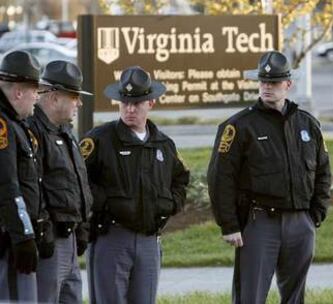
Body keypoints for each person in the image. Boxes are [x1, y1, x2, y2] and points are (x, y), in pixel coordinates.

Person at [207, 50, 331, 304]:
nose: (267, 87)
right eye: (263, 82)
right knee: (249, 296)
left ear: (288, 84)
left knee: (295, 297)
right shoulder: (239, 126)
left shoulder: (307, 124)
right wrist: (229, 224)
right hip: (260, 222)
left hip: (301, 222)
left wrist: (315, 214)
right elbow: (220, 177)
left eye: (273, 82)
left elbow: (322, 171)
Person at [80, 65, 190, 304]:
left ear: (150, 103)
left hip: (150, 242)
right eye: (124, 103)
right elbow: (80, 180)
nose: (129, 109)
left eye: (137, 103)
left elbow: (180, 179)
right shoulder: (99, 140)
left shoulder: (163, 144)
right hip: (112, 238)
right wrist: (107, 204)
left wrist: (170, 204)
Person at [27, 60, 93, 303]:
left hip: (71, 238)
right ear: (54, 98)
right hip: (50, 243)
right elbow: (32, 186)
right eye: (75, 96)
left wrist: (83, 227)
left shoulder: (65, 132)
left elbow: (78, 182)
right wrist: (44, 231)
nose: (80, 103)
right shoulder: (33, 132)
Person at [0, 51, 42, 302]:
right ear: (18, 92)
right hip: (8, 240)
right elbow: (6, 185)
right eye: (34, 90)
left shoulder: (14, 123)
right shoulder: (4, 125)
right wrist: (23, 236)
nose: (37, 97)